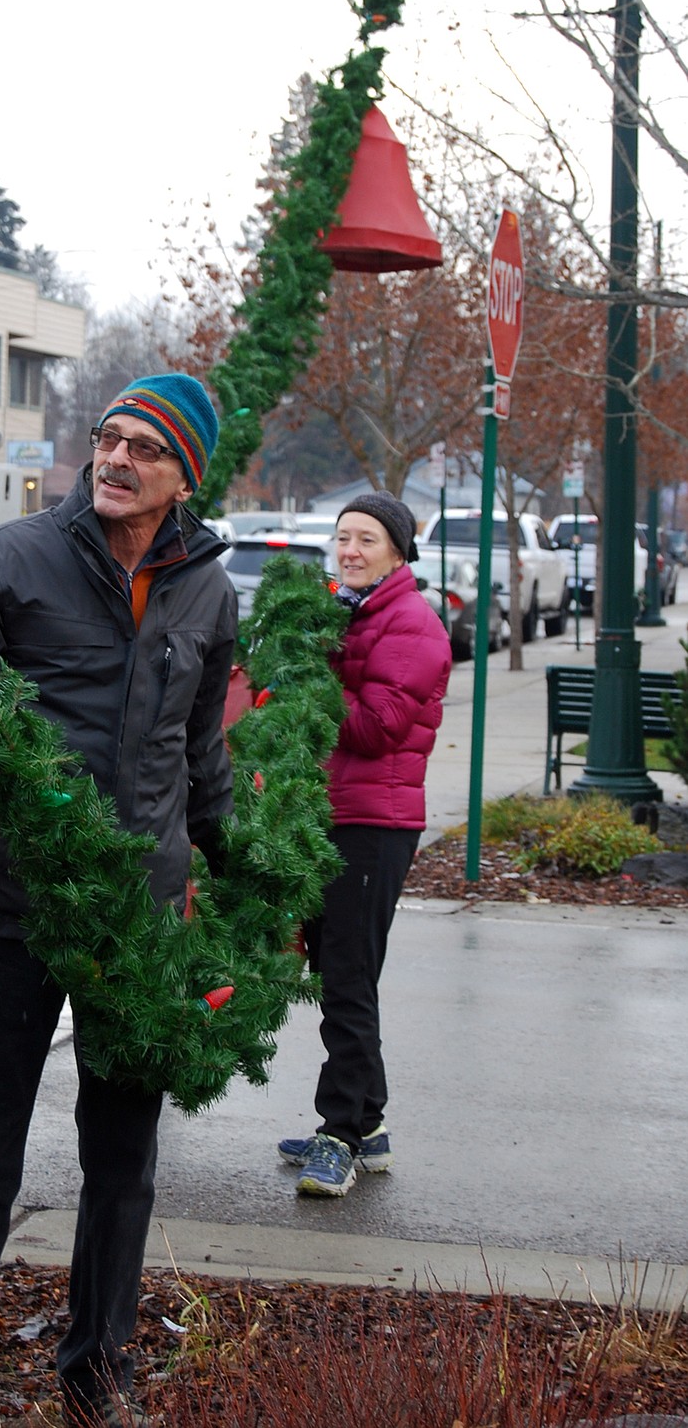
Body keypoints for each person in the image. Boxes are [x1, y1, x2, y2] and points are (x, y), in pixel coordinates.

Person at [0, 373, 237, 1428]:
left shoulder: (207, 590)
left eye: (144, 447)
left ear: (183, 477)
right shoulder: (10, 560)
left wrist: (240, 881)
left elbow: (200, 752)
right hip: (14, 905)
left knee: (124, 1163)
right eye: (108, 437)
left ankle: (97, 1373)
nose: (116, 458)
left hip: (138, 920)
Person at [278, 490, 450, 1198]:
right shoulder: (355, 612)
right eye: (343, 537)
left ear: (398, 551)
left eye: (367, 539)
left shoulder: (411, 623)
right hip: (334, 814)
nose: (350, 550)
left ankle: (340, 1134)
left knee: (348, 978)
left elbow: (377, 726)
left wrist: (307, 679)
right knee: (337, 969)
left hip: (374, 825)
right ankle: (367, 1124)